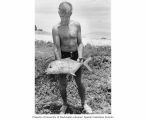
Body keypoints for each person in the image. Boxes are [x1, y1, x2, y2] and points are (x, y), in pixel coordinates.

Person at [52, 1, 92, 114]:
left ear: (71, 13)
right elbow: (56, 47)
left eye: (67, 15)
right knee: (62, 84)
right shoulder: (56, 28)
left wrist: (80, 56)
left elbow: (80, 43)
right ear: (58, 12)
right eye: (62, 14)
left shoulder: (77, 25)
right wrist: (60, 63)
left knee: (79, 82)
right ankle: (65, 104)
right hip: (62, 57)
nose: (64, 17)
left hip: (75, 56)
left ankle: (84, 103)